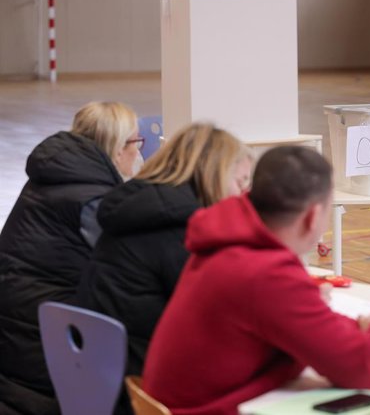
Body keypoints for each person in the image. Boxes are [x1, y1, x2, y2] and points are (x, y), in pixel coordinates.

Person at [142, 146, 370, 415]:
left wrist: (360, 328)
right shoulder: (266, 272)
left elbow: (310, 330)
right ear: (313, 216)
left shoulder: (228, 245)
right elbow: (360, 369)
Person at [77, 123, 252, 413]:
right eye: (240, 182)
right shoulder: (181, 230)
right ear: (213, 177)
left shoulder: (138, 208)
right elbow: (220, 318)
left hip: (101, 372)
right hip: (141, 384)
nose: (243, 195)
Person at [0, 101, 141, 415]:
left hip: (15, 329)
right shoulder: (92, 200)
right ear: (118, 148)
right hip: (47, 345)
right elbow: (126, 267)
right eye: (137, 142)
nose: (140, 151)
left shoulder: (52, 178)